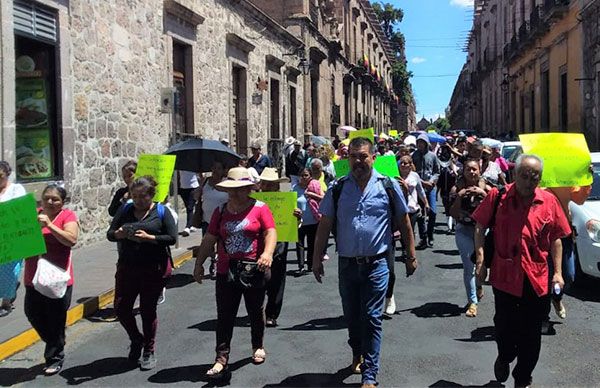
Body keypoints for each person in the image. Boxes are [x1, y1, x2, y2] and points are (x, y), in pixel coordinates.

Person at [312, 137, 418, 388]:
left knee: (371, 317)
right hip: (347, 264)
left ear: (373, 158)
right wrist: (316, 260)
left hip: (377, 263)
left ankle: (370, 374)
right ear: (348, 159)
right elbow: (325, 224)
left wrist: (410, 256)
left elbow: (403, 221)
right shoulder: (338, 188)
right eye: (354, 157)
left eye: (363, 156)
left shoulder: (388, 186)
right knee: (351, 315)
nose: (358, 161)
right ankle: (356, 350)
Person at [473, 154, 571, 388]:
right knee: (505, 326)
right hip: (505, 275)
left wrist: (557, 272)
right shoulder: (499, 197)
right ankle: (505, 356)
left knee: (532, 332)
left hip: (536, 277)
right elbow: (480, 226)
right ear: (514, 175)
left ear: (540, 178)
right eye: (524, 176)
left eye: (534, 177)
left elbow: (557, 238)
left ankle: (523, 376)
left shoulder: (549, 201)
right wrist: (480, 259)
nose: (529, 181)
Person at [193, 167, 277, 379]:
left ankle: (257, 345)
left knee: (255, 311)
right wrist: (199, 263)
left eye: (240, 189)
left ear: (249, 188)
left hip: (253, 269)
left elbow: (270, 232)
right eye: (232, 189)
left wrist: (267, 253)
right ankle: (221, 358)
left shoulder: (260, 208)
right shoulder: (220, 211)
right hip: (226, 271)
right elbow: (210, 238)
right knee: (225, 315)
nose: (235, 193)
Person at [107, 176, 177, 370]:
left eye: (142, 196)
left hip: (153, 269)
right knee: (121, 307)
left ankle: (149, 349)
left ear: (151, 195)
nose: (137, 200)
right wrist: (117, 234)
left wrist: (150, 238)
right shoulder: (125, 209)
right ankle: (136, 339)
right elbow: (110, 233)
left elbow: (171, 238)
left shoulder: (162, 212)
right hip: (127, 267)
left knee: (148, 310)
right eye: (135, 196)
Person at [24, 184, 79, 375]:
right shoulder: (32, 215)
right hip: (33, 276)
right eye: (47, 197)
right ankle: (57, 342)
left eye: (55, 199)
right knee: (33, 313)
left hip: (58, 279)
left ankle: (54, 357)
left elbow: (71, 240)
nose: (50, 201)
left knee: (55, 319)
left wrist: (49, 225)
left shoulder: (67, 217)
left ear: (62, 202)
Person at [258, 168, 299, 327]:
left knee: (277, 279)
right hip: (259, 243)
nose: (269, 188)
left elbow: (294, 225)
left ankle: (272, 313)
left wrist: (296, 217)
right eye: (266, 184)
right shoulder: (254, 202)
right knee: (259, 279)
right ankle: (258, 309)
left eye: (272, 185)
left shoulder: (285, 201)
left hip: (280, 242)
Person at [449, 159, 491, 317]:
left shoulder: (487, 187)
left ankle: (478, 285)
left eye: (475, 169)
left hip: (483, 231)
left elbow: (496, 210)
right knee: (469, 266)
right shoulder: (456, 188)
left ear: (480, 171)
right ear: (463, 171)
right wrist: (459, 197)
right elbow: (452, 214)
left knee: (482, 263)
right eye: (468, 169)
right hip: (464, 230)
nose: (472, 172)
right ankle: (472, 302)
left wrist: (484, 195)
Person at [0, 161, 26, 317]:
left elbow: (19, 210)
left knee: (9, 270)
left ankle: (6, 302)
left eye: (0, 176)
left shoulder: (16, 189)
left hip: (11, 238)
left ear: (7, 175)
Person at [412, 133, 441, 249]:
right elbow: (411, 172)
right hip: (418, 189)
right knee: (420, 215)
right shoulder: (413, 155)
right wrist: (421, 182)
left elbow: (437, 171)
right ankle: (423, 238)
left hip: (430, 188)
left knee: (432, 212)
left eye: (422, 143)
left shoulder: (433, 156)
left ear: (426, 144)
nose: (420, 145)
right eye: (418, 143)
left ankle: (430, 234)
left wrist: (432, 181)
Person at [293, 168, 324, 276]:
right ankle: (300, 265)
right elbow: (290, 203)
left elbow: (323, 198)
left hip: (313, 221)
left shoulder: (314, 187)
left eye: (306, 175)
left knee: (311, 245)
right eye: (301, 175)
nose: (303, 177)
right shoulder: (294, 189)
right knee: (299, 244)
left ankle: (310, 265)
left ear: (310, 176)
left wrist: (311, 194)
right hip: (299, 222)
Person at [178, 170, 200, 237]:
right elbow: (178, 175)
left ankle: (188, 227)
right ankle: (191, 224)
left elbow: (200, 173)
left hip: (193, 187)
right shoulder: (181, 164)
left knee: (190, 207)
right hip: (183, 187)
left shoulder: (192, 163)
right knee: (188, 207)